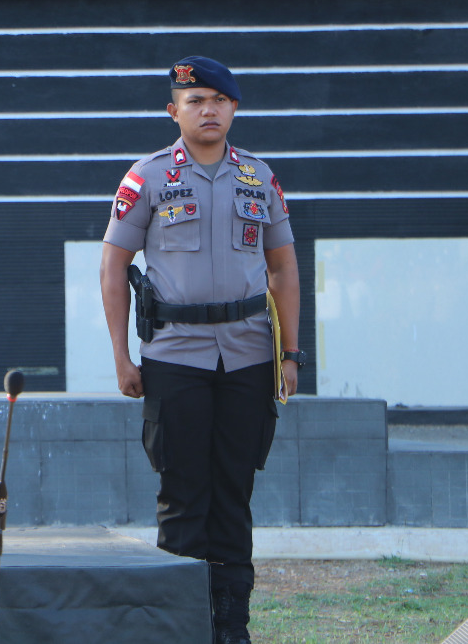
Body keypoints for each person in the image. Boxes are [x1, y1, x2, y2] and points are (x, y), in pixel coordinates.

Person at [99, 56, 302, 643]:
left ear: (234, 108)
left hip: (247, 357)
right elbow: (114, 268)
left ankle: (232, 629)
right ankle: (182, 629)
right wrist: (121, 356)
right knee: (183, 498)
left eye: (218, 99)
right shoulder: (149, 176)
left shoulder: (259, 178)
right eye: (195, 101)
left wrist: (290, 354)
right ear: (174, 111)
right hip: (174, 357)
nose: (207, 109)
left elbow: (284, 267)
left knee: (234, 496)